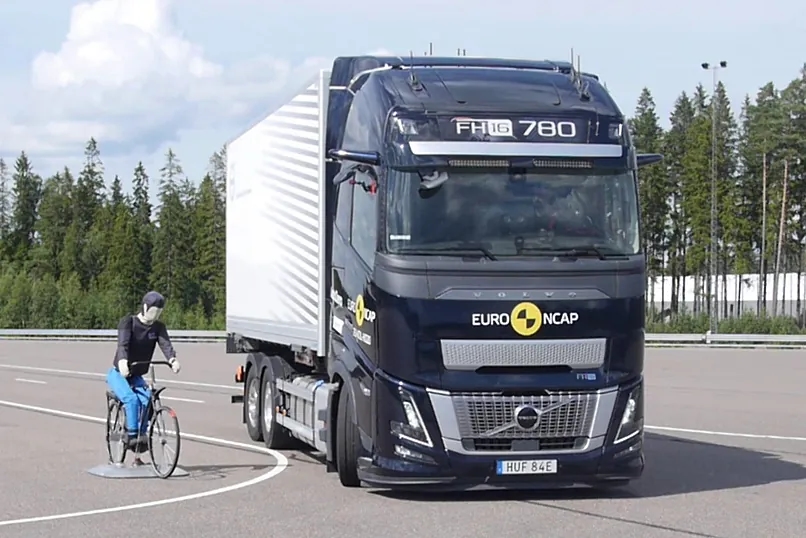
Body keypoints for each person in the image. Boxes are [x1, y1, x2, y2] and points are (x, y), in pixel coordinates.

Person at [106, 291, 181, 449]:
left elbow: (165, 344)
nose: (156, 315)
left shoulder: (158, 328)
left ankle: (142, 435)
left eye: (159, 312)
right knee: (131, 399)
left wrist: (172, 359)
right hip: (119, 373)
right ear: (145, 307)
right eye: (154, 311)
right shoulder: (129, 323)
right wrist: (123, 361)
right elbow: (123, 344)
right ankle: (131, 435)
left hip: (137, 374)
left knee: (147, 400)